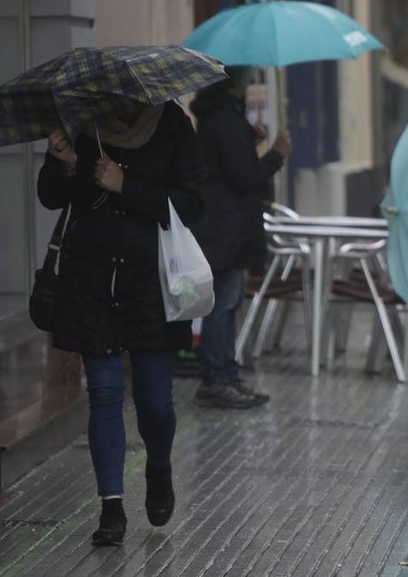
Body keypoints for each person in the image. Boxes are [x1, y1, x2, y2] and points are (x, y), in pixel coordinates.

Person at [40, 100, 205, 546]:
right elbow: (51, 197)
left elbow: (191, 204)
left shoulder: (172, 125)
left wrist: (126, 183)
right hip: (90, 279)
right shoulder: (81, 123)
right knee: (106, 394)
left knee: (155, 400)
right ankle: (110, 506)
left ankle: (159, 466)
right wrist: (68, 164)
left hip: (150, 284)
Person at [189, 70, 291, 409]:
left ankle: (226, 374)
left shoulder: (219, 119)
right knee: (224, 303)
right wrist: (276, 154)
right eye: (244, 80)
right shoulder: (225, 121)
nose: (248, 86)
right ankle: (218, 377)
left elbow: (231, 165)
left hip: (223, 227)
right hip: (226, 230)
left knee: (226, 302)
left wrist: (251, 139)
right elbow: (244, 177)